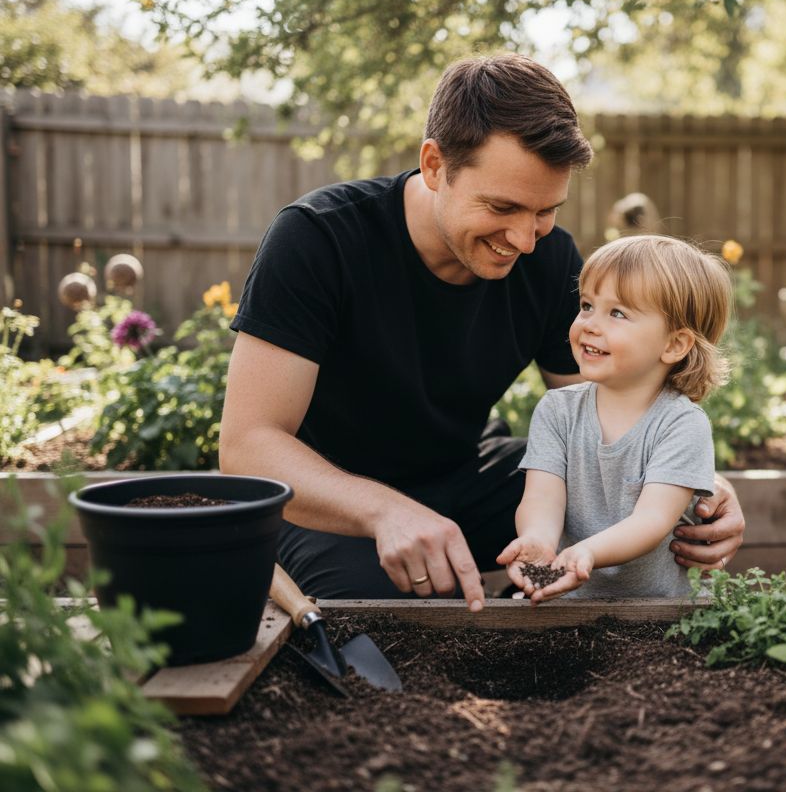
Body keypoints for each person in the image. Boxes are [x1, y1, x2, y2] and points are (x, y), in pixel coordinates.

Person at [219, 54, 746, 609]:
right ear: (433, 165)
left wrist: (692, 481)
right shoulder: (318, 240)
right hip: (332, 504)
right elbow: (248, 446)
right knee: (387, 625)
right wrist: (386, 510)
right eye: (503, 207)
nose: (524, 239)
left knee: (619, 513)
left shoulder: (548, 258)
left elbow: (609, 409)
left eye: (546, 212)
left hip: (471, 478)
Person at [497, 235, 730, 602]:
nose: (589, 324)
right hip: (565, 605)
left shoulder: (681, 424)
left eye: (617, 313)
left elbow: (651, 522)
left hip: (658, 614)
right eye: (587, 305)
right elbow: (543, 497)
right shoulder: (558, 410)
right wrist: (537, 539)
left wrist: (588, 552)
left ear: (674, 345)